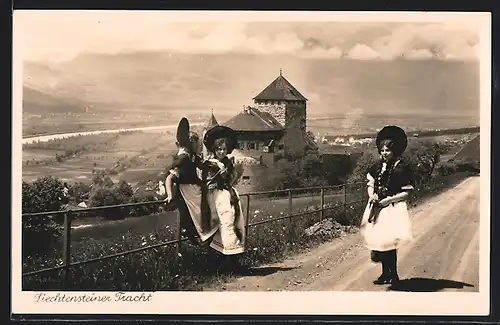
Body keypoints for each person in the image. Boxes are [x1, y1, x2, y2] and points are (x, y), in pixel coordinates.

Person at [359, 125, 415, 285]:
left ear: (395, 151)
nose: (384, 153)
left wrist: (388, 200)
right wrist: (372, 196)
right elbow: (370, 183)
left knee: (389, 243)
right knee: (380, 242)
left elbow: (407, 193)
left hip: (392, 209)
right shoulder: (377, 167)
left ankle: (394, 274)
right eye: (382, 150)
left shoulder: (401, 168)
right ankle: (385, 274)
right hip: (376, 207)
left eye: (388, 151)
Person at [164, 117, 219, 246]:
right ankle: (198, 235)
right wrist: (170, 195)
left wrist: (216, 167)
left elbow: (203, 166)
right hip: (187, 191)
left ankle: (202, 236)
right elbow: (169, 178)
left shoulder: (193, 157)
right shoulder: (184, 159)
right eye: (196, 143)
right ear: (190, 144)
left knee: (208, 206)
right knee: (199, 211)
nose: (199, 146)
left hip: (195, 188)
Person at [202, 125, 246, 267]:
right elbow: (208, 184)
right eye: (219, 149)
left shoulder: (228, 162)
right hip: (218, 197)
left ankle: (233, 258)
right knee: (225, 224)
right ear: (214, 150)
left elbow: (233, 179)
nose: (221, 152)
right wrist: (219, 177)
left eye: (224, 149)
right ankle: (221, 259)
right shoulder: (210, 165)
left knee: (235, 222)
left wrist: (235, 174)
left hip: (230, 196)